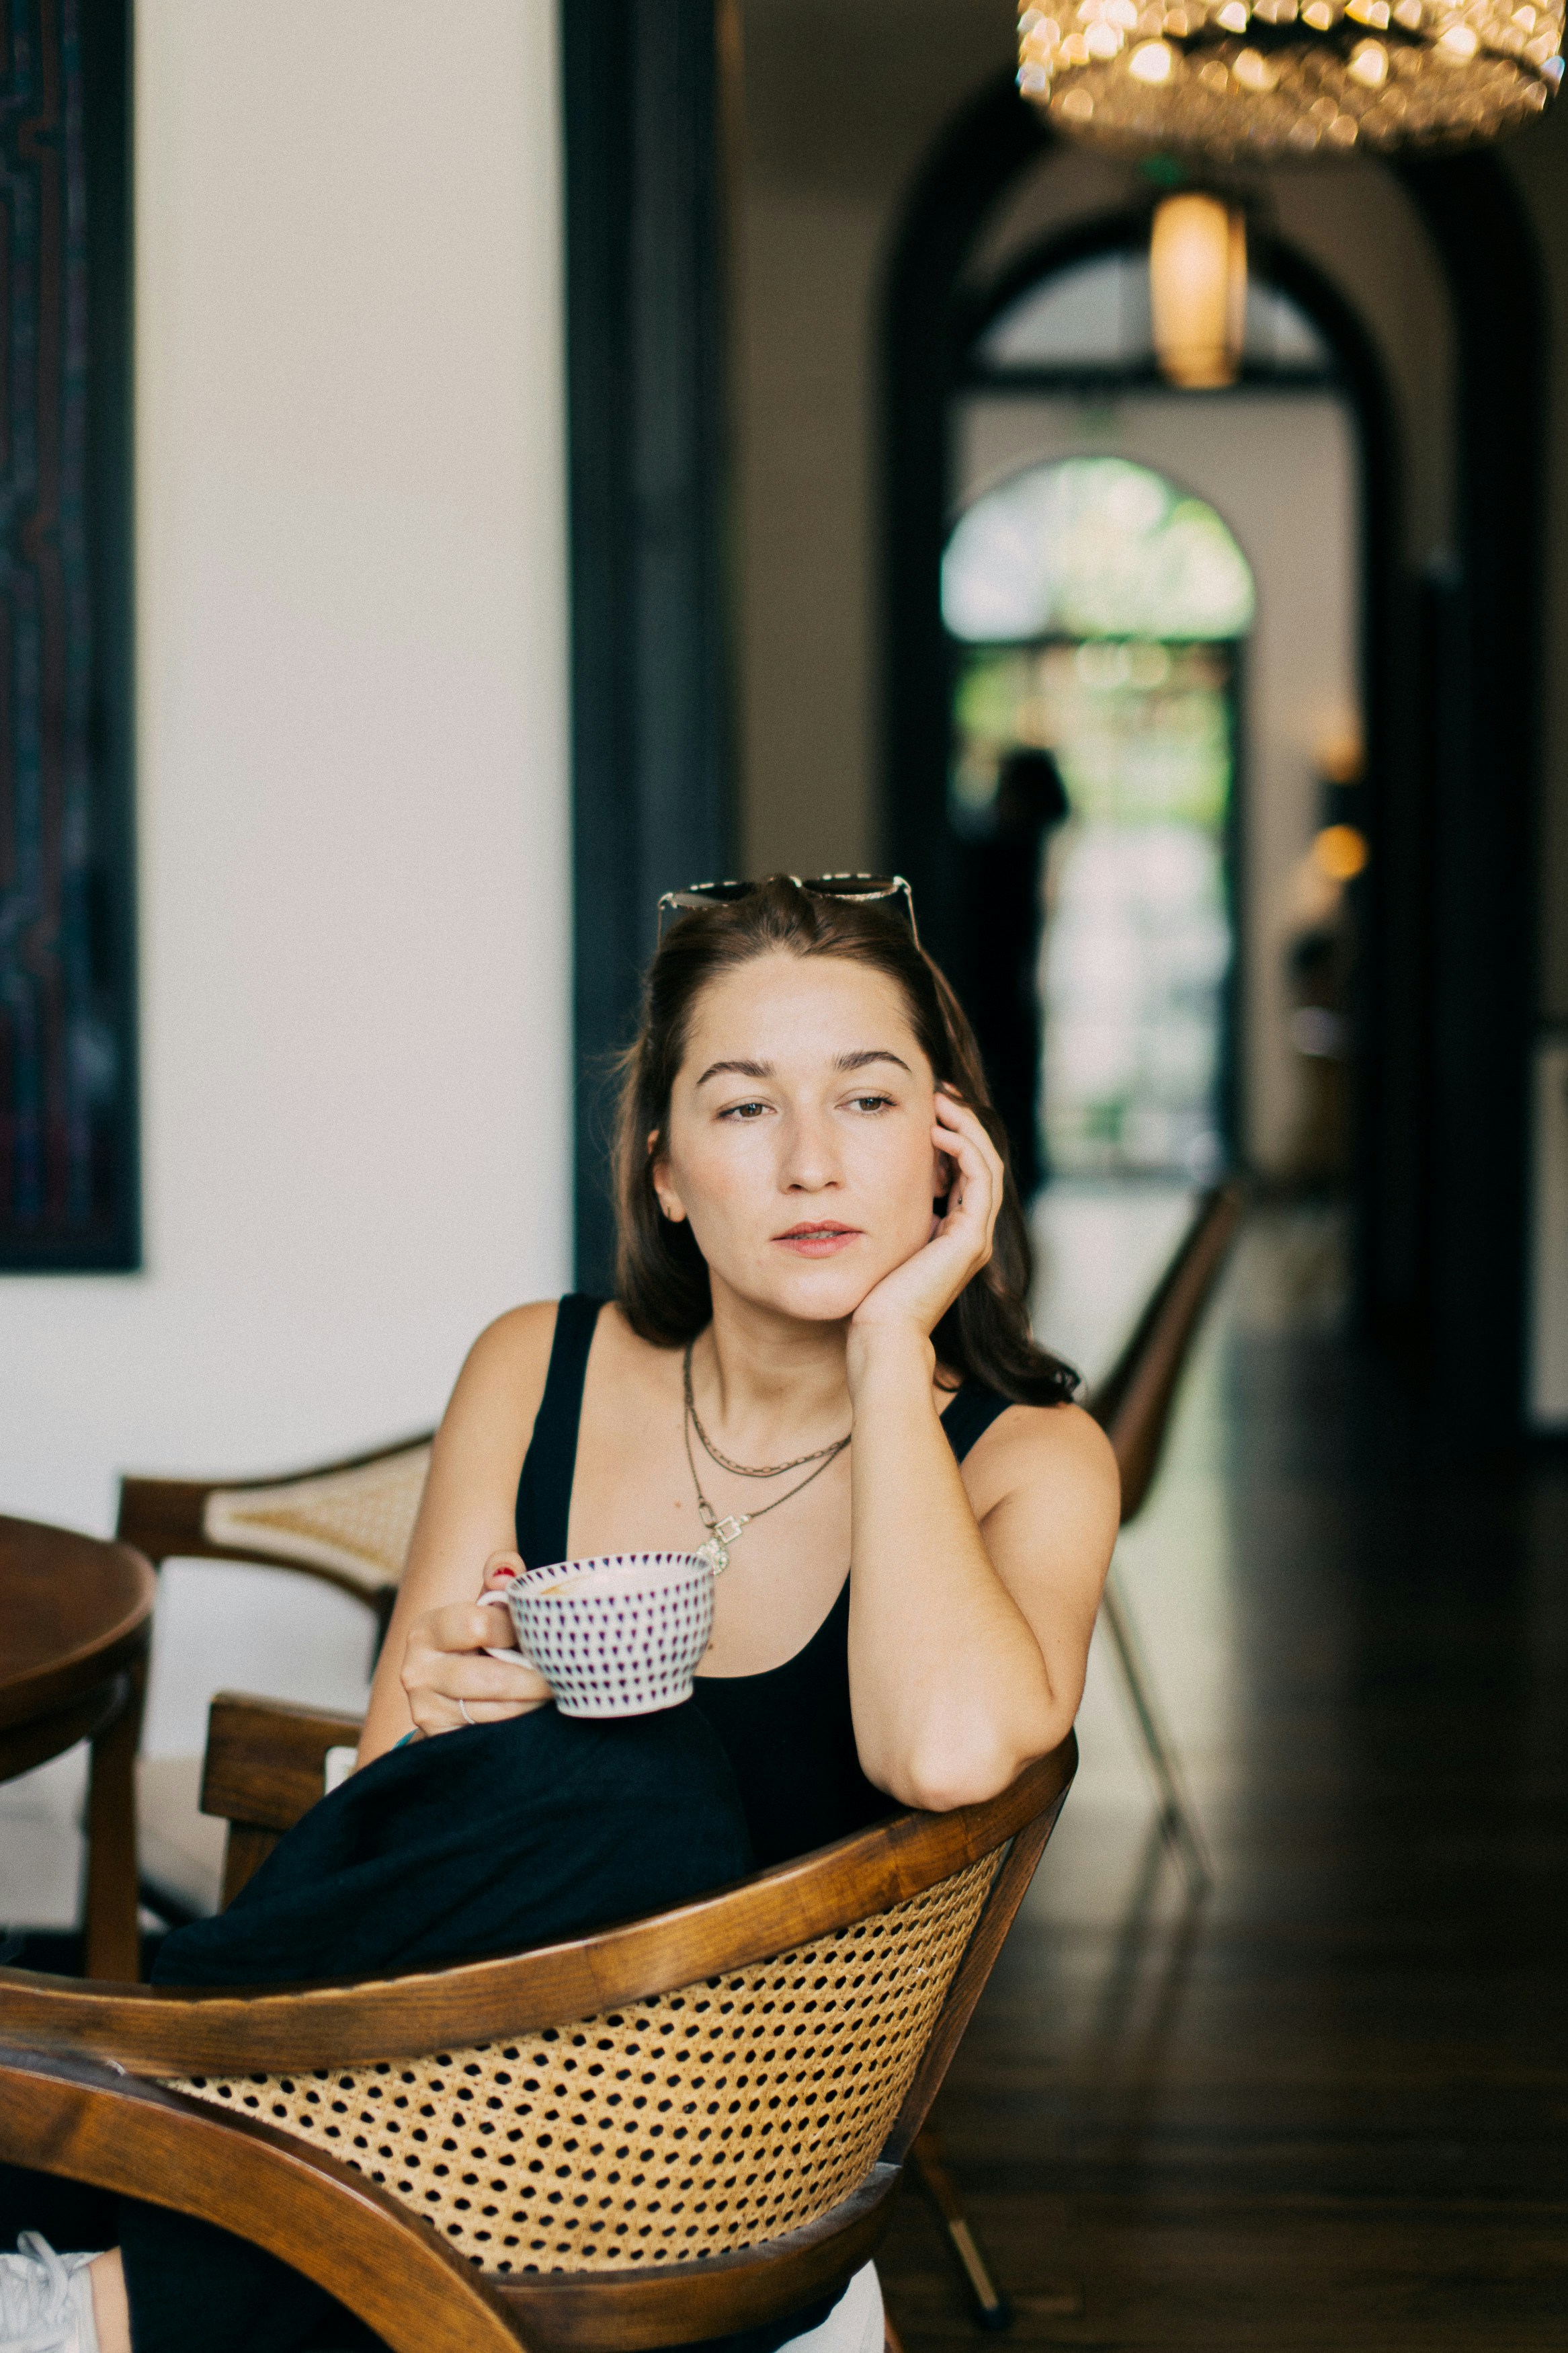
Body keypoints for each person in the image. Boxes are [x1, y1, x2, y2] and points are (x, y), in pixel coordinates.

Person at [1, 876, 1119, 2353]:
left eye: (865, 1100)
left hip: (714, 2174)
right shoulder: (535, 1365)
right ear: (664, 1170)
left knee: (644, 1780)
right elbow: (388, 1869)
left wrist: (887, 1351)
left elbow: (947, 1750)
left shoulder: (1032, 1459)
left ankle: (88, 2299)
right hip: (418, 2081)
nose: (807, 1163)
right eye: (740, 1108)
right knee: (598, 1779)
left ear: (946, 1146)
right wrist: (452, 1723)